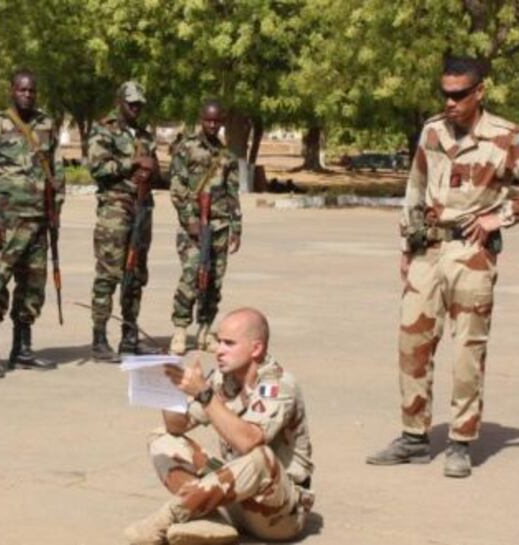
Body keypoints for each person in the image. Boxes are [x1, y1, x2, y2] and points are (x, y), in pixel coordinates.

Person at [366, 56, 519, 477]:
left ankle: (460, 441)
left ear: (479, 93)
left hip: (471, 253)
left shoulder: (505, 136)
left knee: (468, 349)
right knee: (411, 344)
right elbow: (415, 186)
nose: (450, 102)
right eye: (445, 93)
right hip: (428, 249)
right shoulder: (432, 130)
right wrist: (406, 245)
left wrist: (500, 216)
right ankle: (414, 437)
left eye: (458, 95)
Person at [125, 308, 314, 544]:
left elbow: (249, 441)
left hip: (277, 513)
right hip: (236, 495)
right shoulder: (224, 379)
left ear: (256, 348)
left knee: (260, 456)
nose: (218, 350)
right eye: (218, 342)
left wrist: (204, 394)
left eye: (229, 343)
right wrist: (172, 391)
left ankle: (167, 518)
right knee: (162, 438)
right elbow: (177, 427)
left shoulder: (279, 385)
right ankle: (212, 520)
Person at [0, 70, 65, 378]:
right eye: (22, 90)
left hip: (39, 221)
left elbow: (57, 171)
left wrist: (56, 211)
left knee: (32, 288)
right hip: (7, 222)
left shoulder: (46, 125)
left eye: (32, 91)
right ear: (12, 91)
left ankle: (22, 349)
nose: (28, 95)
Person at [86, 81, 162, 361]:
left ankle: (130, 337)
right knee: (108, 274)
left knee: (136, 274)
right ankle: (99, 339)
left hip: (142, 209)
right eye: (131, 103)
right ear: (119, 102)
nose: (136, 108)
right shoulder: (103, 130)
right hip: (116, 210)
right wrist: (133, 164)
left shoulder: (144, 135)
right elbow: (97, 168)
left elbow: (156, 171)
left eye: (139, 104)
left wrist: (151, 171)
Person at [168, 101, 242, 355]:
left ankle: (204, 329)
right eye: (208, 120)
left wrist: (237, 227)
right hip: (192, 227)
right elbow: (177, 187)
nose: (212, 125)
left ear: (221, 122)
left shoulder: (227, 155)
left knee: (213, 282)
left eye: (216, 121)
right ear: (201, 119)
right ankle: (180, 330)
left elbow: (233, 193)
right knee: (191, 277)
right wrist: (190, 220)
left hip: (220, 226)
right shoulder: (186, 148)